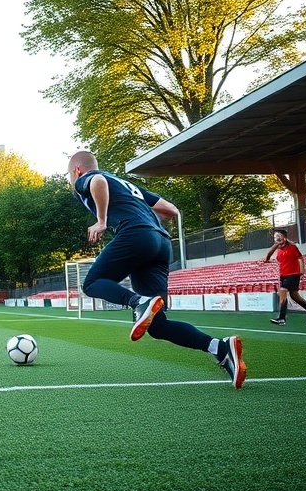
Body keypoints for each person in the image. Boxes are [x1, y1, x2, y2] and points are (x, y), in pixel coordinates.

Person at [67, 150, 245, 388]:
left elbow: (97, 180)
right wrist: (145, 218)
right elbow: (171, 210)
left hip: (136, 235)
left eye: (71, 175)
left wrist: (102, 221)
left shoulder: (87, 178)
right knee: (158, 326)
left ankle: (138, 302)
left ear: (77, 170)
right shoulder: (129, 186)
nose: (72, 180)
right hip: (161, 243)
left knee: (91, 283)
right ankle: (219, 348)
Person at [264, 229, 306, 325]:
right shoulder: (278, 250)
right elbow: (268, 256)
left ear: (284, 238)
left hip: (293, 274)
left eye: (278, 236)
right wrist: (271, 257)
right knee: (294, 296)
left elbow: (300, 258)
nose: (276, 239)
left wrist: (302, 269)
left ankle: (282, 318)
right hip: (283, 275)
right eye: (275, 237)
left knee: (282, 291)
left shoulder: (292, 247)